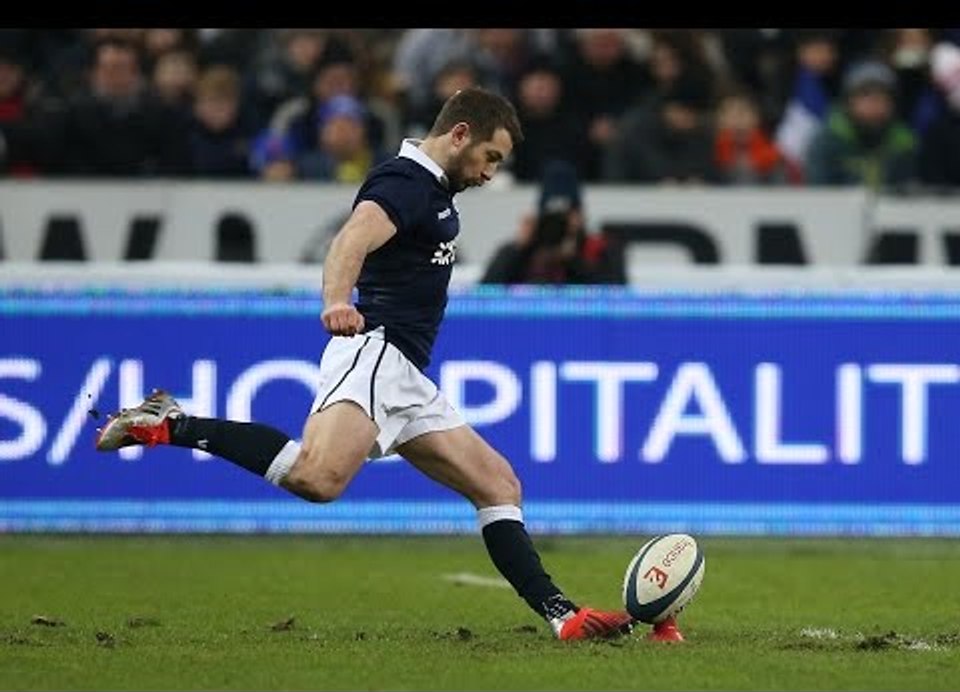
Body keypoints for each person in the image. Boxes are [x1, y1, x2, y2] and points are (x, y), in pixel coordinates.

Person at [95, 87, 683, 643]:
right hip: (375, 352)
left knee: (498, 484)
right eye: (490, 157)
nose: (490, 173)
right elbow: (350, 240)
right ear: (459, 134)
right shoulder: (406, 182)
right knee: (317, 478)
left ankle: (564, 617)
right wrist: (336, 300)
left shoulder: (435, 191)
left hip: (405, 374)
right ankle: (170, 423)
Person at [481, 159, 625, 285]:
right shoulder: (524, 250)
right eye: (552, 217)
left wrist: (573, 260)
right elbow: (484, 294)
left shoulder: (601, 250)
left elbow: (617, 295)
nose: (558, 225)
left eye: (565, 217)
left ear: (581, 216)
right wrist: (517, 250)